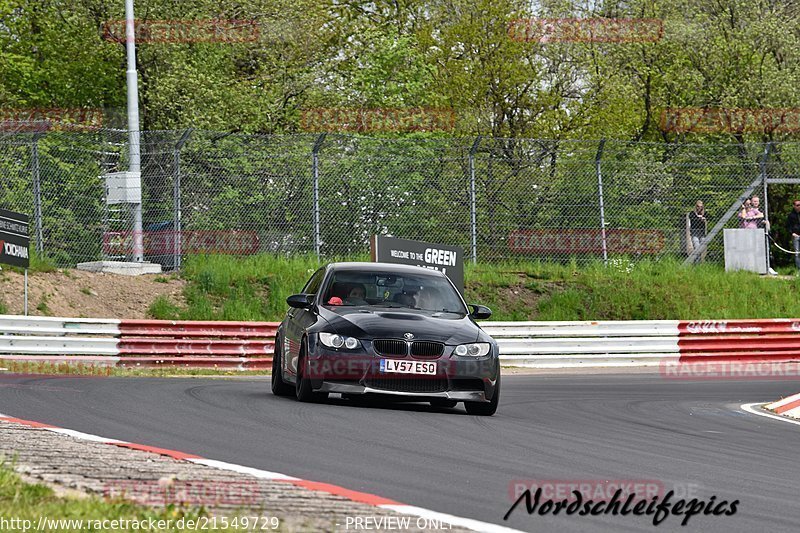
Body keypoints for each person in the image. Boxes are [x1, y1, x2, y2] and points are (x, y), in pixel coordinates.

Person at [787, 199, 800, 270]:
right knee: (797, 253)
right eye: (797, 205)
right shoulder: (791, 216)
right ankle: (798, 269)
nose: (799, 207)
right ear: (794, 206)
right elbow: (788, 226)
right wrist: (792, 233)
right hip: (796, 236)